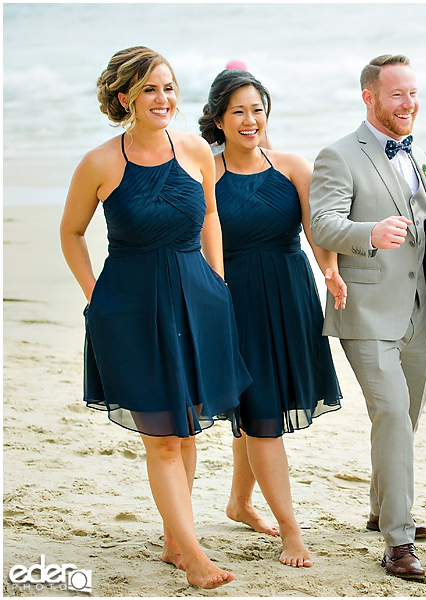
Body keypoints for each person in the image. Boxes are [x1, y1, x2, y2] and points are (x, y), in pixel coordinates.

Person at [59, 46, 250, 589]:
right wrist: (96, 295)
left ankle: (175, 541)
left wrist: (216, 281)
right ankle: (194, 555)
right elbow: (71, 233)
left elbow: (210, 214)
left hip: (197, 302)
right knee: (163, 438)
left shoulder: (194, 149)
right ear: (125, 98)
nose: (162, 99)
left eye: (168, 87)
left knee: (187, 431)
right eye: (149, 89)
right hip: (131, 308)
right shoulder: (100, 162)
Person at [308, 54, 426, 582]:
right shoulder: (338, 155)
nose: (409, 103)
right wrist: (367, 234)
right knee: (392, 413)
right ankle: (398, 540)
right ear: (369, 97)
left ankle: (379, 509)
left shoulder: (414, 154)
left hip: (418, 310)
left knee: (405, 416)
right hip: (366, 309)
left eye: (413, 93)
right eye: (397, 94)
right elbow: (322, 223)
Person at [199, 69, 345, 568]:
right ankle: (291, 532)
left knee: (257, 409)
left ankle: (239, 503)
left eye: (257, 109)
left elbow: (315, 232)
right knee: (263, 419)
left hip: (289, 298)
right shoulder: (205, 172)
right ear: (218, 118)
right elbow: (197, 243)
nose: (250, 120)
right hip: (234, 304)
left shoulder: (291, 166)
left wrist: (330, 270)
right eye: (238, 111)